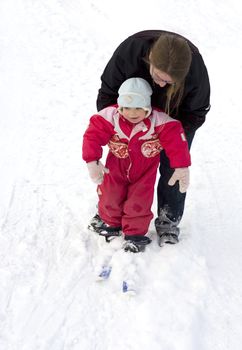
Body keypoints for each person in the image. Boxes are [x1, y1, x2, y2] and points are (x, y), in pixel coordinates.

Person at [95, 30, 211, 245]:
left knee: (173, 168)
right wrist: (116, 126)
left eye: (169, 82)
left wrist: (171, 138)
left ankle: (169, 219)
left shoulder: (195, 72)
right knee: (123, 163)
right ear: (149, 60)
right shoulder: (129, 52)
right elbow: (107, 93)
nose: (160, 85)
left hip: (172, 121)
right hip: (131, 114)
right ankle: (110, 212)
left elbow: (196, 112)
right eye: (158, 77)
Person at [82, 77, 191, 253]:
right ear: (120, 107)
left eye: (138, 108)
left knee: (139, 201)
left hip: (144, 172)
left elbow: (176, 139)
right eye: (127, 108)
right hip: (115, 167)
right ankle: (110, 222)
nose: (132, 113)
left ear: (147, 107)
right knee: (110, 194)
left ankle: (135, 233)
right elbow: (92, 135)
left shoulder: (160, 121)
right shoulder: (110, 117)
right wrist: (91, 160)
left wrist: (181, 166)